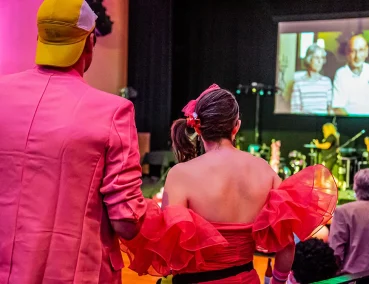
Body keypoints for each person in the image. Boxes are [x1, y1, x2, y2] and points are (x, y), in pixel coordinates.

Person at [121, 84, 338, 284]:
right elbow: (286, 245)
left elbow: (169, 249)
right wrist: (278, 281)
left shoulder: (180, 174)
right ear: (236, 127)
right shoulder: (264, 170)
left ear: (198, 128)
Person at [0, 0, 146, 283]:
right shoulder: (113, 111)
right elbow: (126, 221)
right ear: (89, 42)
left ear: (39, 38)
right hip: (76, 273)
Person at [332, 34, 369, 116]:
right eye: (353, 51)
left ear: (366, 52)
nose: (357, 56)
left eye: (361, 50)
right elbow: (338, 107)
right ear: (347, 53)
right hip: (349, 124)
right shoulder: (341, 74)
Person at [291, 44, 333, 115]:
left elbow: (330, 109)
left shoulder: (326, 82)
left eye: (322, 58)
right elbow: (295, 111)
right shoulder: (299, 84)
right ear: (309, 59)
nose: (320, 61)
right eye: (317, 58)